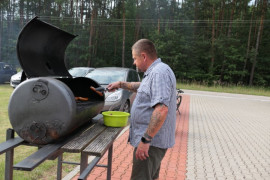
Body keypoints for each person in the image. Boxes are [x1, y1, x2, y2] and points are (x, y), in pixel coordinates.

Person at [107, 39, 176, 180]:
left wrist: (145, 141)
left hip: (151, 144)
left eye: (135, 58)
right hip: (152, 142)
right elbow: (141, 86)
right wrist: (120, 84)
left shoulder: (159, 73)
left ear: (144, 56)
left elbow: (161, 109)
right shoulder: (155, 72)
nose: (134, 62)